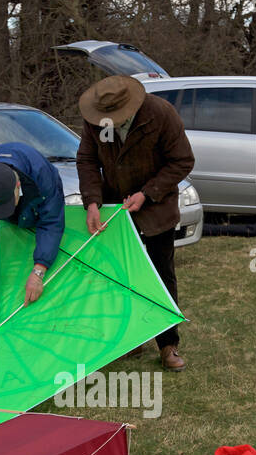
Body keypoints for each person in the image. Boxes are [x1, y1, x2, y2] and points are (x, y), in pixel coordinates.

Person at [76, 74, 195, 371]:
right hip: (116, 211)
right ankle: (130, 341)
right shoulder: (95, 122)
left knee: (160, 277)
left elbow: (182, 160)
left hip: (157, 209)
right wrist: (92, 201)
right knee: (120, 277)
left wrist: (148, 193)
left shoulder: (161, 113)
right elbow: (87, 160)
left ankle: (168, 344)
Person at [0, 141, 65, 329]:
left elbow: (51, 222)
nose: (3, 211)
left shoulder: (42, 175)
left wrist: (38, 272)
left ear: (18, 186)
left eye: (6, 205)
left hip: (38, 194)